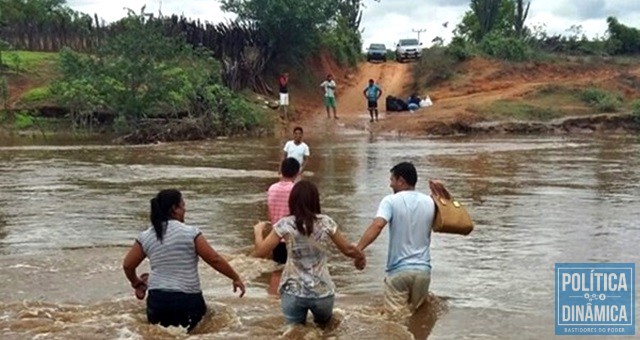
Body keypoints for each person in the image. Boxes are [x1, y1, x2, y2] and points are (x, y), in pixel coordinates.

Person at [122, 189, 246, 332]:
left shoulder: (146, 236)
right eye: (183, 205)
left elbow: (128, 265)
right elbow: (214, 259)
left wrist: (136, 282)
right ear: (174, 209)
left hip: (158, 300)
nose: (185, 210)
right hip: (187, 299)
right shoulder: (190, 232)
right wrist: (235, 277)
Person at [252, 180, 365, 326]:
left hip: (293, 292)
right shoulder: (326, 222)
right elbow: (348, 250)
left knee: (293, 333)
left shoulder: (284, 224)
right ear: (315, 200)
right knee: (324, 331)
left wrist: (258, 232)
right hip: (322, 291)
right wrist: (360, 256)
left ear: (292, 200)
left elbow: (260, 252)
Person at [354, 162, 435, 316]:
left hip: (399, 272)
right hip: (424, 272)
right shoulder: (430, 202)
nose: (390, 184)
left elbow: (377, 225)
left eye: (392, 180)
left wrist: (358, 250)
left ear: (401, 181)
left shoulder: (390, 201)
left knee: (394, 322)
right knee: (416, 318)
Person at [261, 157, 300, 295]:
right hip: (293, 237)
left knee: (277, 272)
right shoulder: (296, 189)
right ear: (297, 172)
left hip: (276, 237)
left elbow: (269, 212)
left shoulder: (272, 188)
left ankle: (272, 300)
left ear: (281, 171)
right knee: (295, 271)